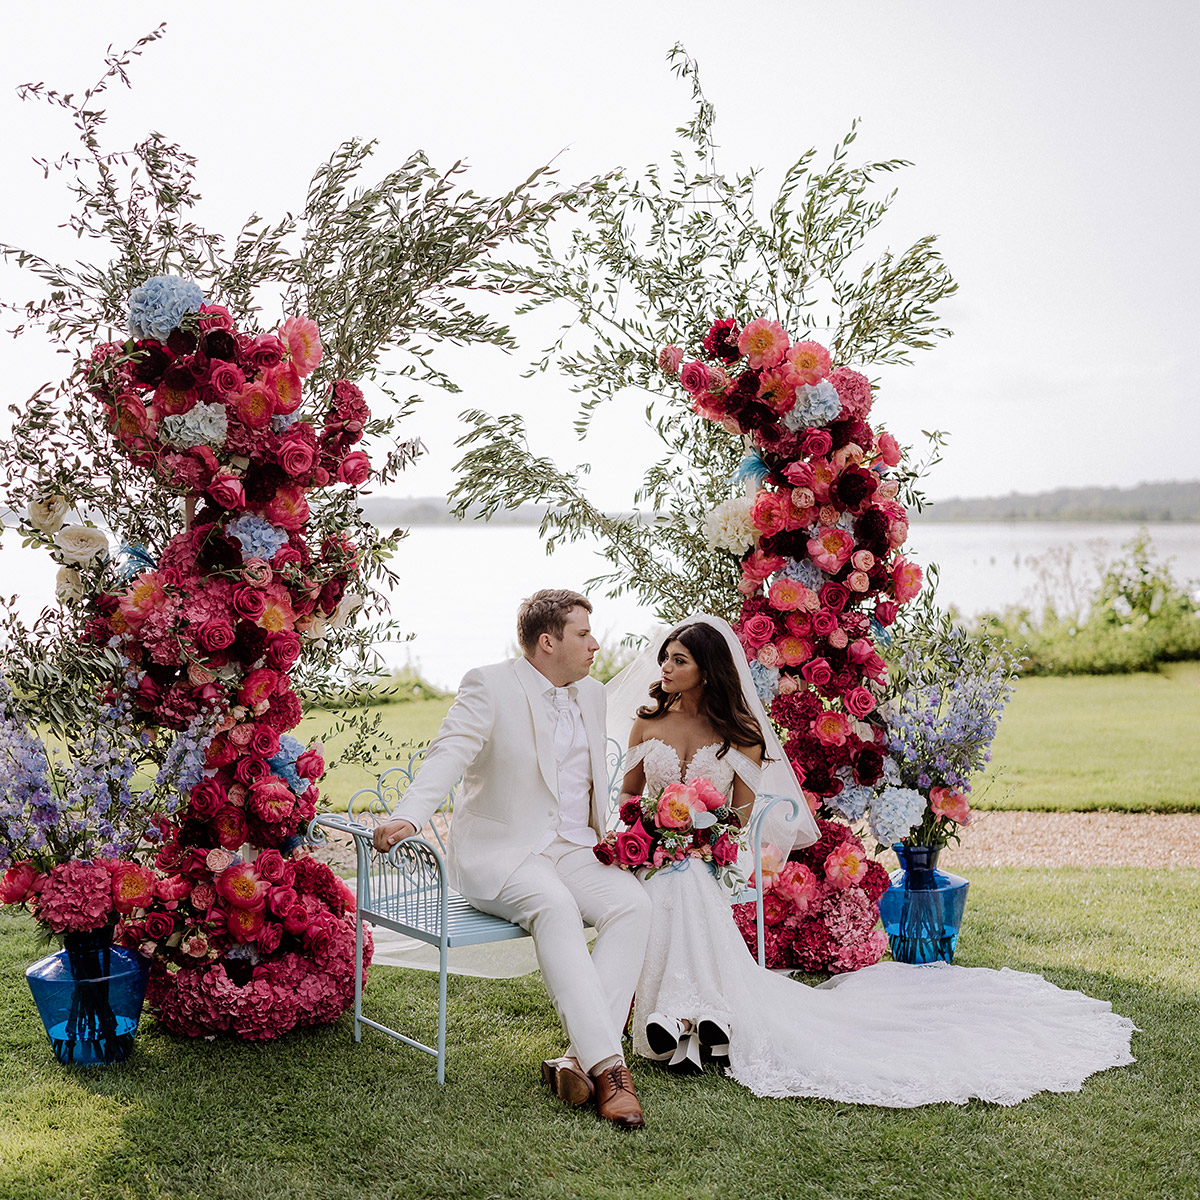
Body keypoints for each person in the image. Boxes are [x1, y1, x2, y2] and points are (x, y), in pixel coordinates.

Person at [606, 614, 1136, 1105]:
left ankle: (678, 1016)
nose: (666, 668)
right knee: (674, 879)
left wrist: (695, 838)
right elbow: (629, 801)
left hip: (708, 854)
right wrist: (656, 831)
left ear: (707, 671)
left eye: (680, 660)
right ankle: (700, 1015)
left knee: (685, 879)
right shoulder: (645, 725)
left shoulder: (738, 735)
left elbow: (740, 821)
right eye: (666, 658)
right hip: (651, 850)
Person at [373, 589, 651, 1128]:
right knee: (555, 908)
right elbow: (449, 752)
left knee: (633, 905)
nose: (595, 645)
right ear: (547, 643)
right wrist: (409, 816)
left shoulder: (591, 693)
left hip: (572, 847)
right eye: (582, 635)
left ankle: (578, 1057)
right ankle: (611, 1072)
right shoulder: (489, 684)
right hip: (502, 855)